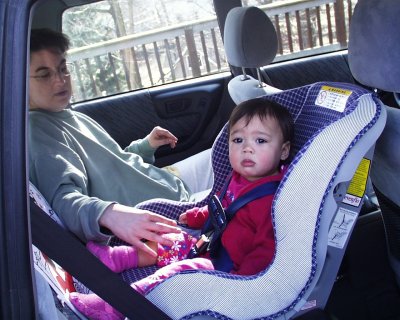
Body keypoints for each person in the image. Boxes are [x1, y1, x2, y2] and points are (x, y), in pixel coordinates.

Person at [69, 97, 294, 320]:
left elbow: (265, 251)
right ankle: (117, 258)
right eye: (238, 140)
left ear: (283, 151)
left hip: (226, 269)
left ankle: (114, 306)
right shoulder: (238, 178)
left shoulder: (272, 201)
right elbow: (223, 209)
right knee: (167, 238)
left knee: (175, 273)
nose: (247, 149)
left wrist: (241, 286)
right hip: (209, 244)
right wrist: (198, 216)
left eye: (261, 141)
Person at [28, 27, 213, 256]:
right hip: (166, 211)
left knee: (228, 153)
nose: (60, 80)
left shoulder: (68, 115)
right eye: (44, 74)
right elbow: (63, 199)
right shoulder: (38, 132)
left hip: (166, 183)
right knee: (246, 169)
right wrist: (108, 214)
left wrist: (146, 146)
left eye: (63, 68)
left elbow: (115, 164)